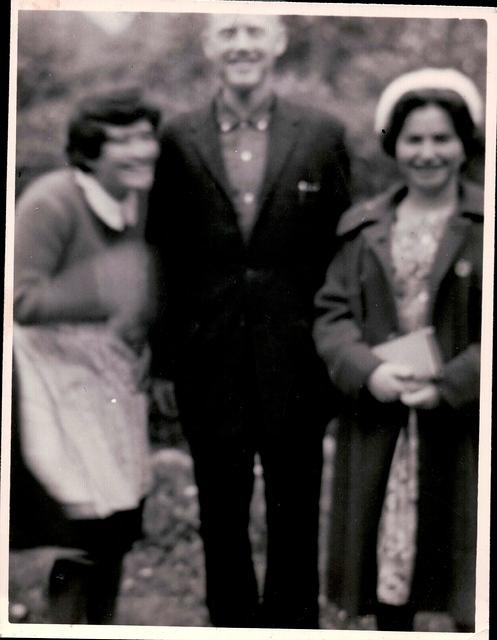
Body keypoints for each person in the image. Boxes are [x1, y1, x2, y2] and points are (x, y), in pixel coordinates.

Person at [146, 13, 350, 629]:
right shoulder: (177, 138)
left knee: (295, 508)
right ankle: (230, 624)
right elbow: (163, 254)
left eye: (253, 32)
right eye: (228, 33)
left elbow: (339, 253)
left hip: (297, 358)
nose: (241, 45)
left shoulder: (321, 132)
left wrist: (336, 347)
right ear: (209, 47)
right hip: (208, 359)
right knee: (220, 511)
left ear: (278, 43)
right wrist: (163, 361)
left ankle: (292, 625)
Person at [313, 68, 483, 632]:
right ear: (393, 144)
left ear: (466, 143)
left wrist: (453, 384)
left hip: (461, 427)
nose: (428, 153)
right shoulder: (364, 228)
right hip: (381, 421)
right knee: (388, 569)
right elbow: (332, 314)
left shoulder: (486, 225)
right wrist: (369, 373)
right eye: (414, 139)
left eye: (442, 138)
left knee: (464, 568)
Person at [11, 87, 160, 624]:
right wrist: (96, 286)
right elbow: (20, 301)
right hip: (50, 384)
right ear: (90, 149)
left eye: (147, 136)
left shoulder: (134, 199)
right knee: (76, 535)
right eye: (124, 140)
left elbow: (132, 297)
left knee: (113, 526)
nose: (143, 151)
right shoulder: (52, 201)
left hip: (107, 382)